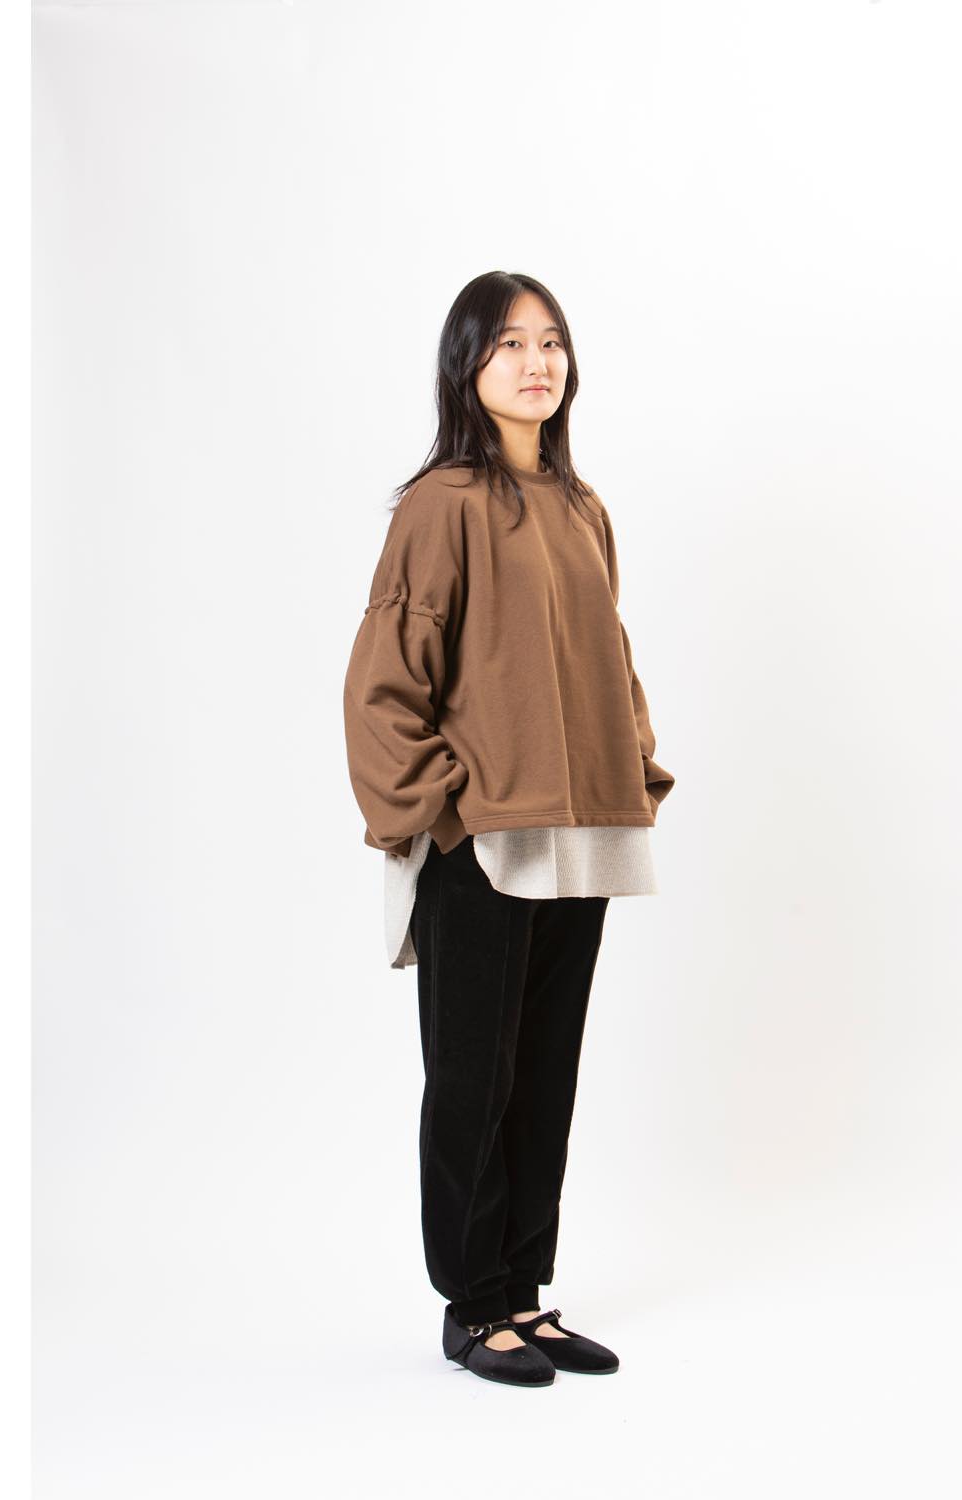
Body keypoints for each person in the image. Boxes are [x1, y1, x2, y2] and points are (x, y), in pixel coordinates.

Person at [342, 271, 675, 1388]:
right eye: (510, 345)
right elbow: (384, 683)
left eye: (552, 342)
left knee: (544, 1074)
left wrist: (634, 769)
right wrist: (444, 810)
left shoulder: (581, 508)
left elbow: (607, 657)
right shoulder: (442, 505)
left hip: (578, 830)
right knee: (472, 1080)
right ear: (467, 365)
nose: (538, 364)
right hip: (482, 838)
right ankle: (472, 1303)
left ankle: (524, 1292)